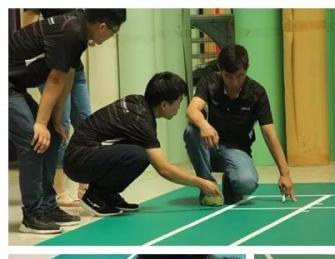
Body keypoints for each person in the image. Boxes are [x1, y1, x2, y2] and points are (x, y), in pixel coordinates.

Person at [9, 9, 127, 233]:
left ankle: (48, 206)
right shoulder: (72, 31)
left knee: (52, 138)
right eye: (114, 32)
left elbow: (67, 77)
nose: (111, 37)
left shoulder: (80, 31)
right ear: (102, 26)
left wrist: (55, 121)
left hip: (15, 85)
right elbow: (54, 80)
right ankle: (32, 214)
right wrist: (41, 124)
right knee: (33, 140)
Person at [64, 72, 222, 216]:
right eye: (178, 102)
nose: (179, 107)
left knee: (140, 151)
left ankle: (107, 194)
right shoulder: (141, 120)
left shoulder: (139, 103)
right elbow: (164, 169)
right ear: (164, 105)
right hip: (78, 160)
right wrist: (201, 183)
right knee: (140, 155)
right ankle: (96, 196)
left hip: (83, 154)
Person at [184, 44, 296, 206]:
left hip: (236, 149)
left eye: (240, 76)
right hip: (210, 145)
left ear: (247, 69)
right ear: (220, 69)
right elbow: (192, 110)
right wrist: (204, 124)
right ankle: (207, 186)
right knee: (191, 130)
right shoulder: (209, 82)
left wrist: (284, 173)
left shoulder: (257, 93)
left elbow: (269, 133)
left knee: (247, 183)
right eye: (229, 76)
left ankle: (231, 180)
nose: (234, 82)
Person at [22, 8, 92, 209]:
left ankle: (85, 186)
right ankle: (58, 190)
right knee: (61, 125)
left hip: (74, 65)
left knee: (86, 122)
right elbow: (29, 27)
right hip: (54, 63)